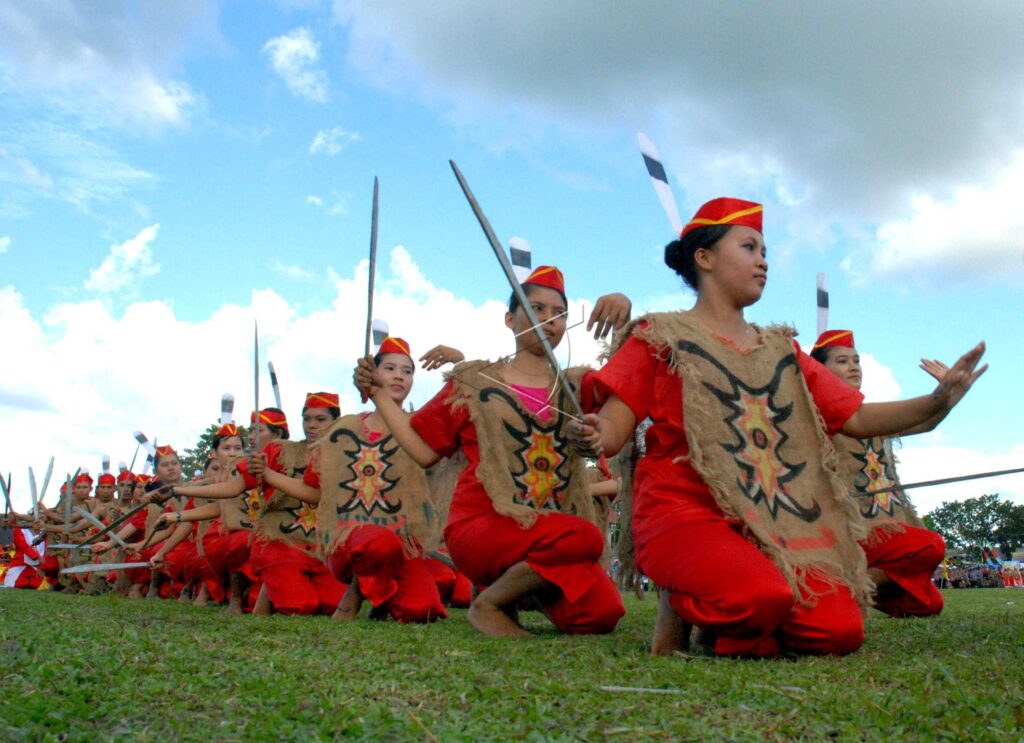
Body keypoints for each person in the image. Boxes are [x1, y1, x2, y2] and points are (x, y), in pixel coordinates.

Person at [576, 197, 986, 657]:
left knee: (838, 632)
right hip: (683, 513)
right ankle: (689, 599)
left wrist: (938, 401)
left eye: (765, 252)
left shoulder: (783, 351)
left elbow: (858, 418)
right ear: (705, 258)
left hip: (774, 520)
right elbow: (614, 425)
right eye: (750, 247)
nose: (763, 261)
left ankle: (727, 619)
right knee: (760, 598)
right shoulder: (659, 335)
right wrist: (595, 434)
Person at [356, 267, 629, 637]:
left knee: (602, 615)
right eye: (535, 309)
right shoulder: (474, 381)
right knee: (586, 536)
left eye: (558, 313)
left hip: (550, 535)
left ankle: (520, 592)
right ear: (509, 319)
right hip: (482, 527)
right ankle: (489, 605)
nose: (547, 320)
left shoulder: (577, 386)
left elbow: (627, 388)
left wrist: (623, 313)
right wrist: (378, 394)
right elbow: (422, 450)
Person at [263, 337, 454, 624]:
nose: (399, 376)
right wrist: (267, 475)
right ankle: (353, 592)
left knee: (423, 611)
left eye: (407, 371)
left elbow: (462, 411)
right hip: (348, 542)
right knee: (377, 542)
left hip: (402, 545)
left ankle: (382, 598)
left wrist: (458, 360)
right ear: (372, 374)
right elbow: (314, 492)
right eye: (389, 368)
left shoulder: (420, 428)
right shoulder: (343, 430)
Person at [810, 329, 952, 618]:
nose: (854, 367)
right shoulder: (811, 416)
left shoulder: (870, 414)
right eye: (842, 361)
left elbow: (927, 423)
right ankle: (838, 589)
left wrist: (950, 392)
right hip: (843, 533)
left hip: (879, 530)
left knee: (927, 603)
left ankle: (850, 587)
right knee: (930, 545)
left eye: (856, 360)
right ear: (818, 371)